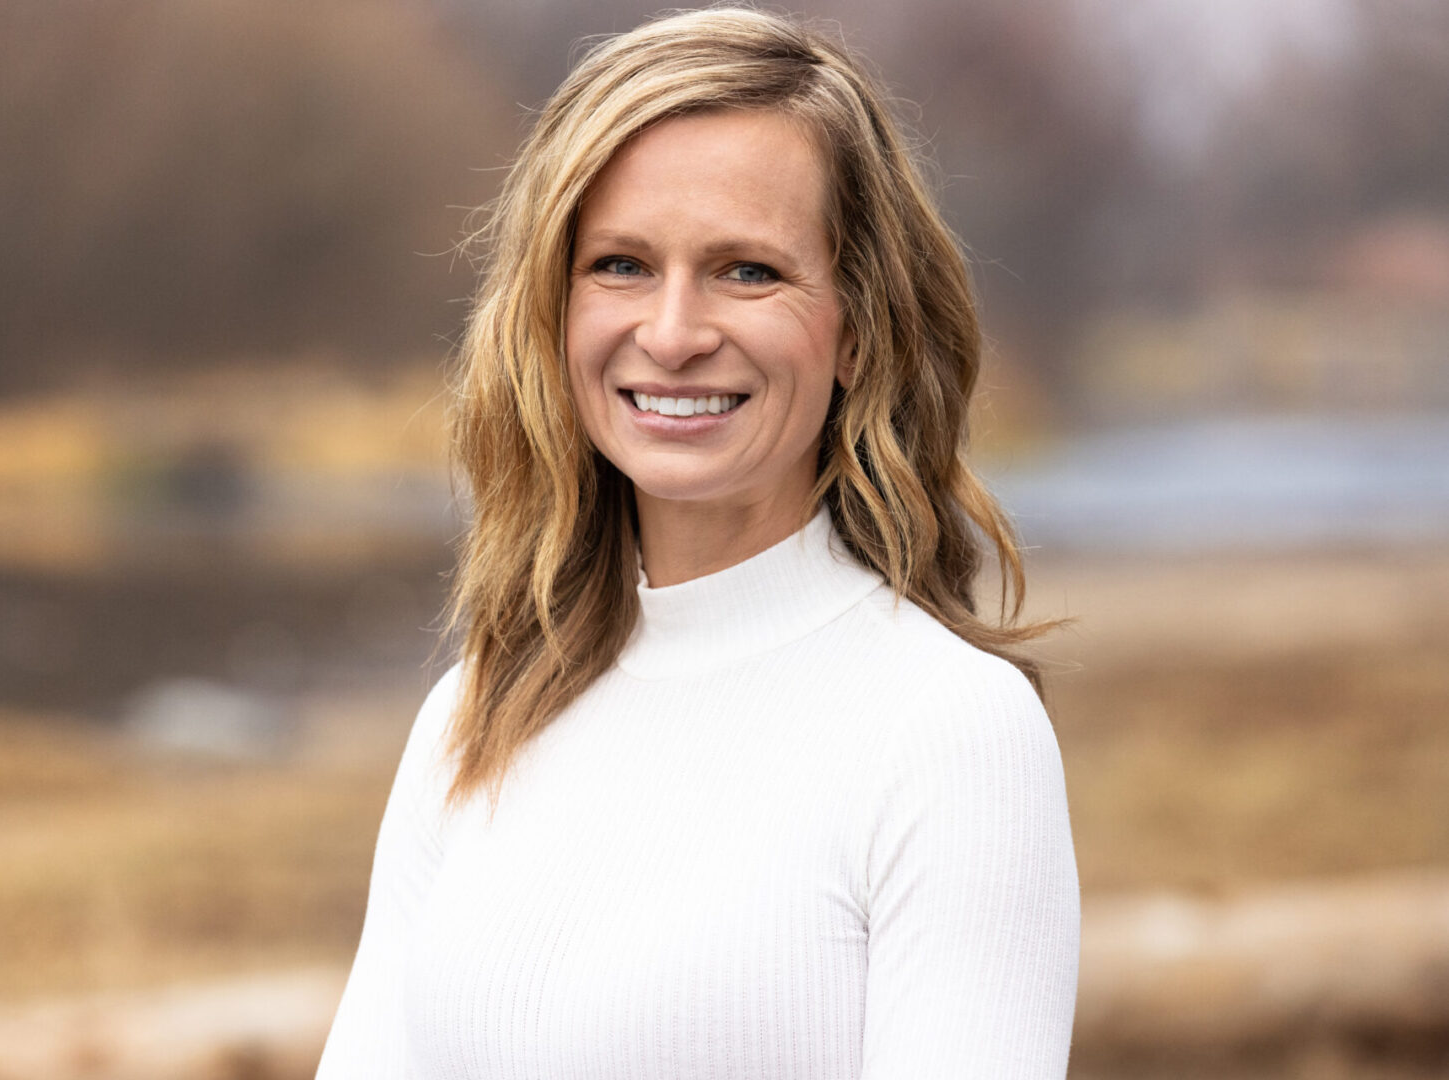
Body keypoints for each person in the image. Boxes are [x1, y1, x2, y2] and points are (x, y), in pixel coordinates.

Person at [318, 8, 1079, 1078]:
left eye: (746, 272)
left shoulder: (949, 733)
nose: (672, 335)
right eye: (621, 265)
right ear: (553, 305)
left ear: (856, 327)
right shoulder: (471, 717)